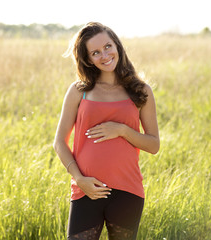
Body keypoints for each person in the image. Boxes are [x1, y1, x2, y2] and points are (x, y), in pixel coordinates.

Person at [53, 22, 160, 240]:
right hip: (86, 189)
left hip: (127, 191)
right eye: (95, 52)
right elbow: (59, 143)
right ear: (88, 59)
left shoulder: (141, 91)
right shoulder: (79, 91)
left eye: (108, 46)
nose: (105, 55)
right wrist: (79, 178)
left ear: (117, 46)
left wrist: (122, 130)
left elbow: (153, 145)